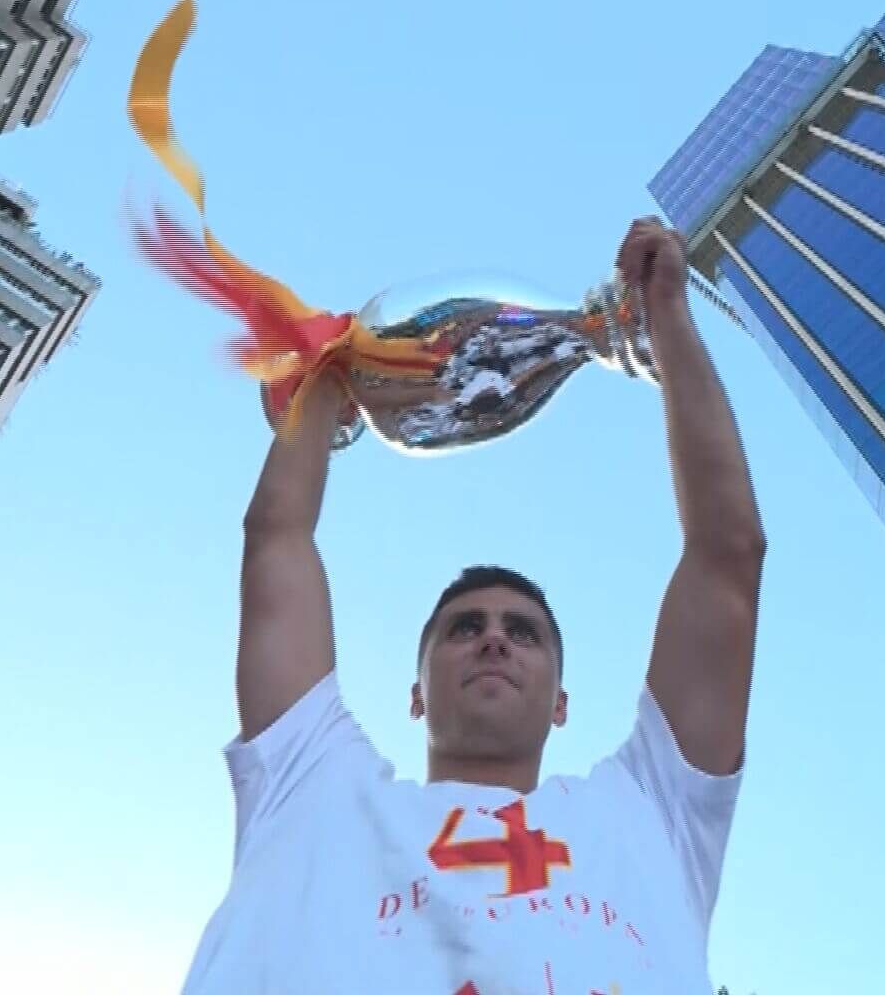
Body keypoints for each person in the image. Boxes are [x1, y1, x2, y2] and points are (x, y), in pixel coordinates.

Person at [181, 218, 766, 994]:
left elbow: (727, 557)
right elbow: (276, 541)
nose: (493, 640)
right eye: (465, 628)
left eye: (523, 633)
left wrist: (668, 324)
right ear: (416, 692)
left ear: (562, 702)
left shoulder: (650, 813)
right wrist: (324, 383)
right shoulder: (313, 786)